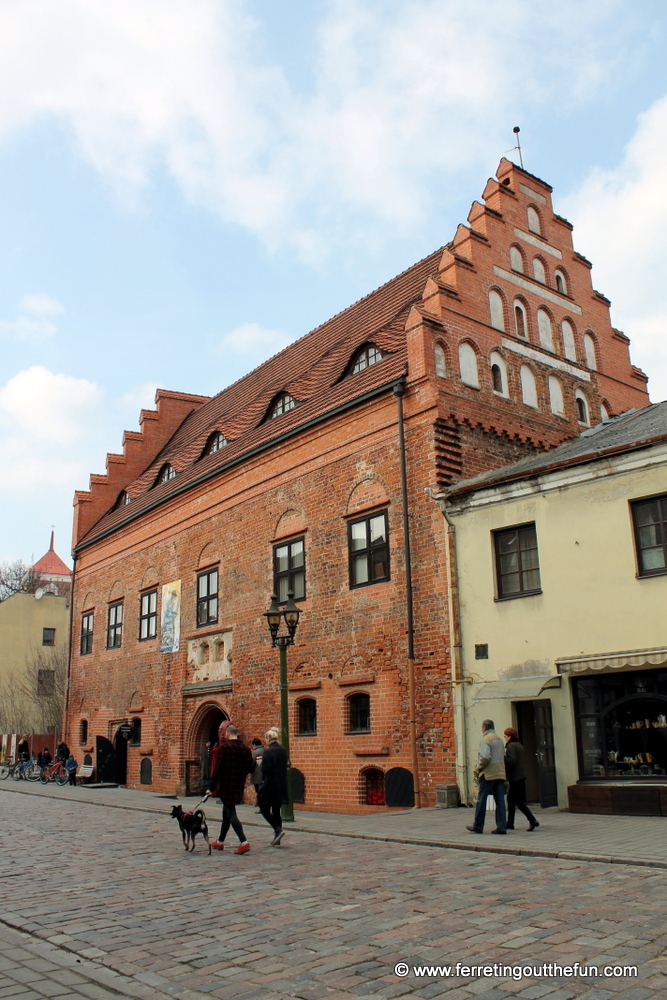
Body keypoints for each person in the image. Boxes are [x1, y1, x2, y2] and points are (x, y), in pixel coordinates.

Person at [207, 725, 255, 854]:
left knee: (231, 813)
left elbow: (217, 770)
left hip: (227, 784)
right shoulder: (245, 749)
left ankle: (244, 842)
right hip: (238, 784)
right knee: (226, 814)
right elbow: (251, 768)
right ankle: (220, 841)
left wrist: (211, 788)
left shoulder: (224, 748)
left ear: (228, 734)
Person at [466, 719, 507, 835]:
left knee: (481, 800)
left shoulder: (485, 740)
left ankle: (478, 825)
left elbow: (485, 757)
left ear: (484, 728)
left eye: (481, 727)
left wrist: (479, 767)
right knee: (500, 801)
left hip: (488, 773)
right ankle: (501, 827)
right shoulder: (499, 739)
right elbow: (503, 755)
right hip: (499, 772)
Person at [258, 728, 289, 846]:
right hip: (281, 784)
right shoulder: (283, 750)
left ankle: (277, 829)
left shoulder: (268, 752)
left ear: (269, 739)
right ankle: (278, 837)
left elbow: (265, 770)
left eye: (266, 738)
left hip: (269, 785)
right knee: (276, 811)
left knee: (264, 809)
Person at [504, 728, 539, 831]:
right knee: (511, 800)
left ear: (510, 737)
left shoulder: (510, 746)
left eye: (505, 736)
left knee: (518, 801)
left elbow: (512, 761)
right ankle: (510, 823)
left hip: (515, 777)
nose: (505, 738)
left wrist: (503, 756)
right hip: (521, 775)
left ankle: (532, 820)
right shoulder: (519, 745)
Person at [250, 738, 264, 813]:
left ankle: (261, 808)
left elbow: (251, 763)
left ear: (254, 745)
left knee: (258, 791)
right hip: (264, 775)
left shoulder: (255, 752)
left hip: (257, 775)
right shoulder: (265, 750)